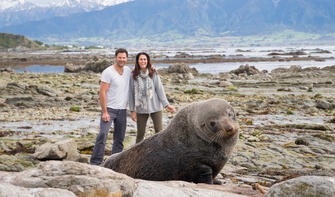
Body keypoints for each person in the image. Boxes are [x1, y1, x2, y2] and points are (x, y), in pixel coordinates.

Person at [90, 48, 131, 165]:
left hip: (122, 110)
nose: (122, 60)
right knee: (103, 134)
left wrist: (151, 69)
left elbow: (141, 73)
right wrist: (104, 111)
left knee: (119, 139)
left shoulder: (128, 71)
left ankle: (114, 163)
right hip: (109, 110)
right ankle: (95, 162)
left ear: (126, 58)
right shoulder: (108, 72)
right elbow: (102, 92)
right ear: (115, 58)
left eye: (124, 58)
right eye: (120, 57)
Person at [129, 52, 175, 143]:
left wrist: (166, 105)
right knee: (140, 135)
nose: (143, 61)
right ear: (137, 61)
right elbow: (131, 93)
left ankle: (161, 153)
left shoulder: (153, 73)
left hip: (156, 107)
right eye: (141, 59)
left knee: (159, 132)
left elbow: (159, 90)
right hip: (141, 108)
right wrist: (132, 111)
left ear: (148, 61)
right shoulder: (133, 75)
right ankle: (137, 155)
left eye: (145, 59)